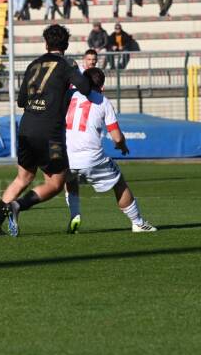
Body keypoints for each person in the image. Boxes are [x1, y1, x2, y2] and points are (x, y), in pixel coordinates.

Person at [0, 24, 92, 237]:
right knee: (55, 183)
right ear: (66, 45)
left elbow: (22, 100)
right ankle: (18, 206)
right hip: (49, 132)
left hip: (26, 127)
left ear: (46, 43)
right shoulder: (67, 64)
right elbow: (85, 88)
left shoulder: (33, 64)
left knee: (22, 178)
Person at [63, 67, 155, 233]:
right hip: (91, 157)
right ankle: (138, 223)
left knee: (70, 180)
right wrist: (122, 146)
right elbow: (117, 137)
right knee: (119, 183)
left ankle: (75, 214)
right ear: (102, 87)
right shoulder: (103, 101)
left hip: (66, 156)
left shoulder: (69, 96)